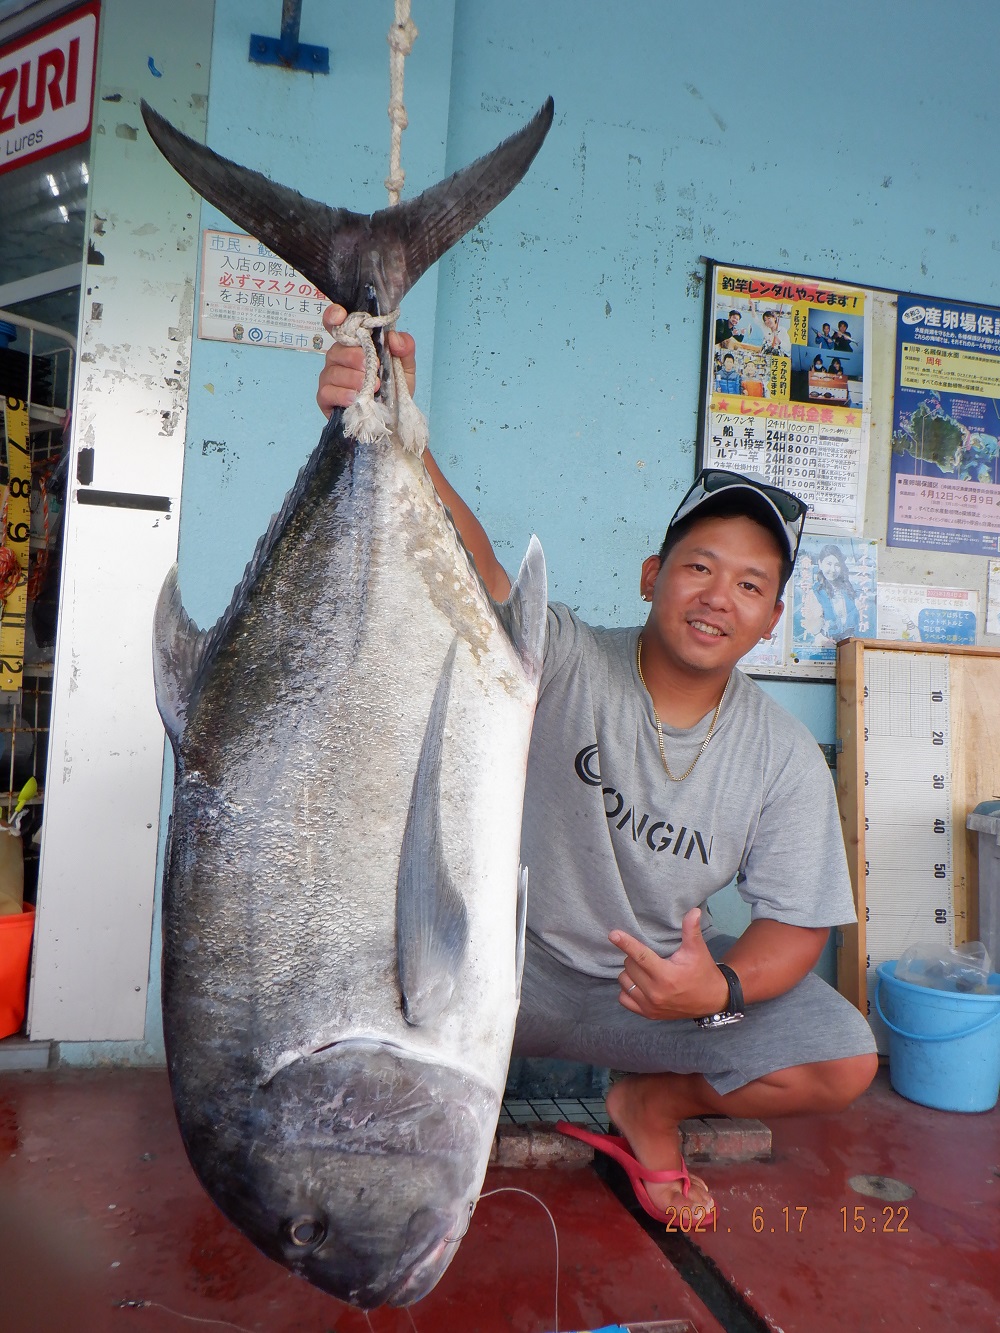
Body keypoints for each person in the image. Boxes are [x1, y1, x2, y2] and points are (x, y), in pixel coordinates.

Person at [317, 308, 878, 1223]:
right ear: (652, 572)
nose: (717, 598)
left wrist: (718, 987)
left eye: (749, 585)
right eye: (699, 567)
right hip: (498, 968)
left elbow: (796, 927)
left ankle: (647, 1101)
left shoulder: (779, 755)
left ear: (773, 620)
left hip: (652, 998)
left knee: (843, 1054)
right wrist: (395, 424)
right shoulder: (566, 657)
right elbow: (479, 573)